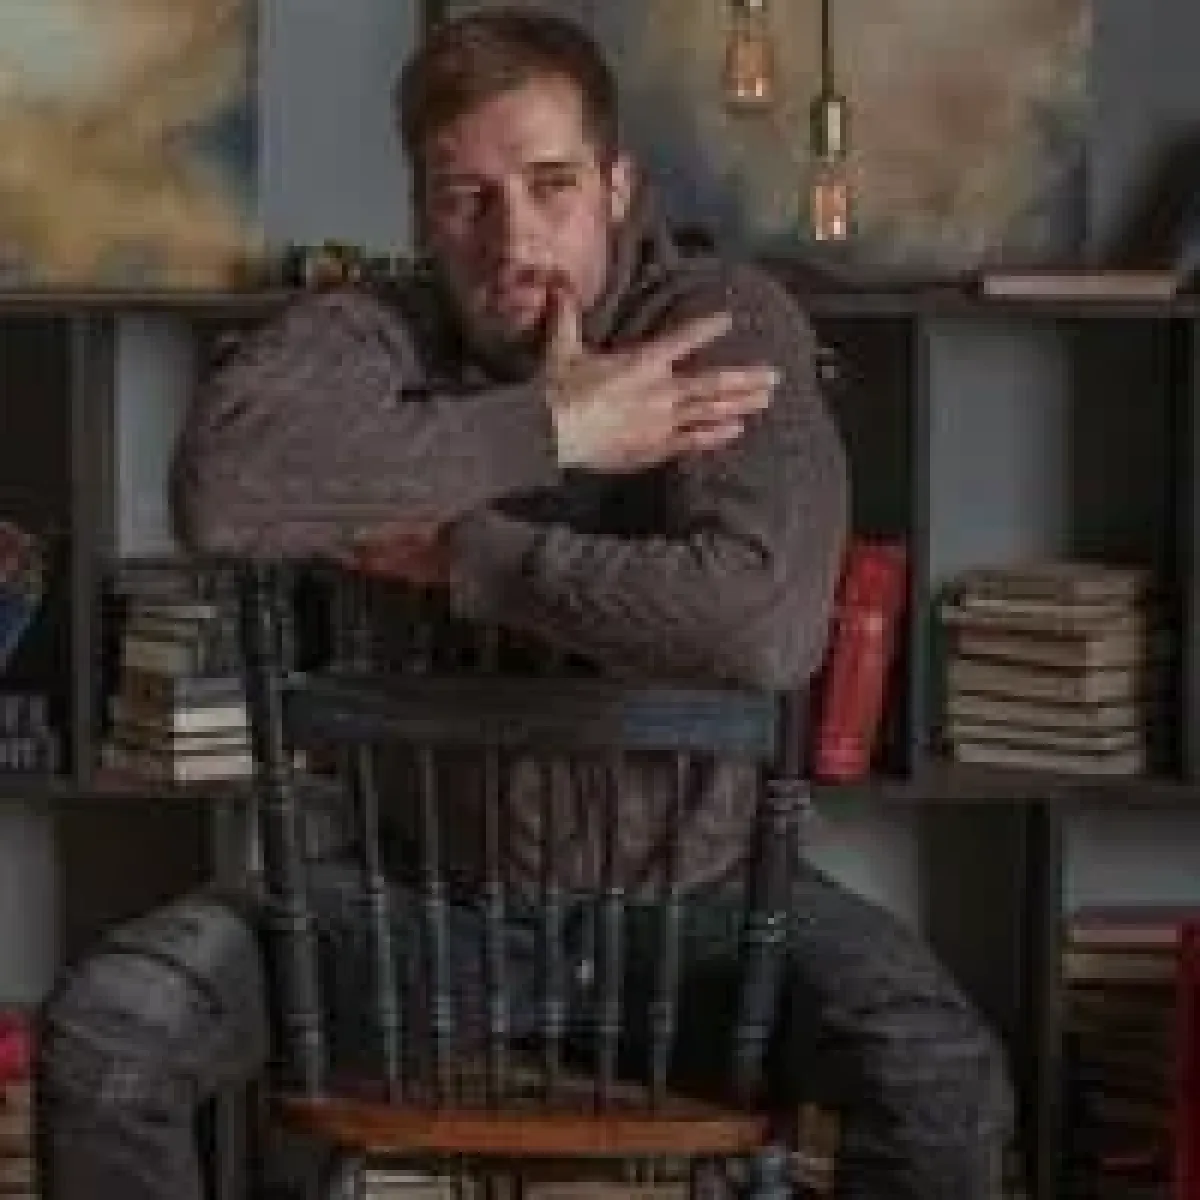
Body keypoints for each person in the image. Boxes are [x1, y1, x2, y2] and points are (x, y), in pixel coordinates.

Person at [36, 9, 1013, 1199]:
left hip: (698, 914)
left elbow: (760, 622)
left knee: (939, 1076)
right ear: (423, 215)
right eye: (467, 199)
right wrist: (560, 428)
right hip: (409, 902)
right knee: (109, 1041)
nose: (513, 237)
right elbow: (223, 489)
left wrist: (471, 555)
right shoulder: (375, 330)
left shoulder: (720, 321)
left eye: (551, 185)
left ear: (616, 186)